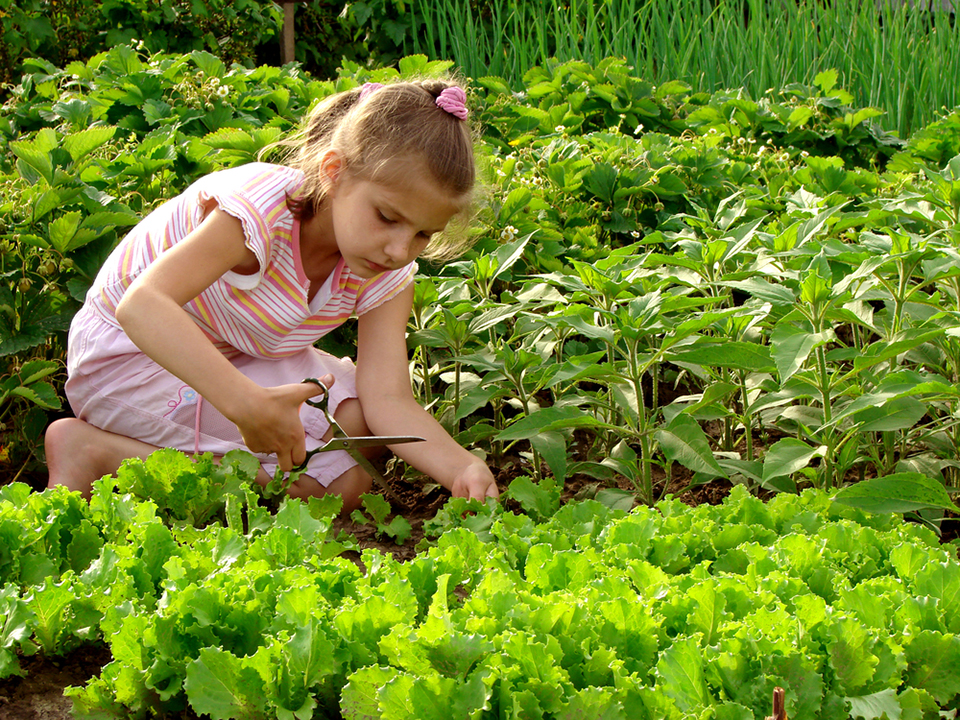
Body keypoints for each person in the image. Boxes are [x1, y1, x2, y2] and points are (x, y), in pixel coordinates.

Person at [44, 78, 500, 511]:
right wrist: (244, 403)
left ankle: (179, 458)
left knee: (360, 432)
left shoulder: (385, 272)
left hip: (236, 355)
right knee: (333, 489)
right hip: (135, 359)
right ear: (335, 172)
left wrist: (461, 465)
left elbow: (388, 399)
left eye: (423, 233)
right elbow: (141, 306)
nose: (400, 249)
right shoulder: (258, 213)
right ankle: (97, 454)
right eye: (386, 217)